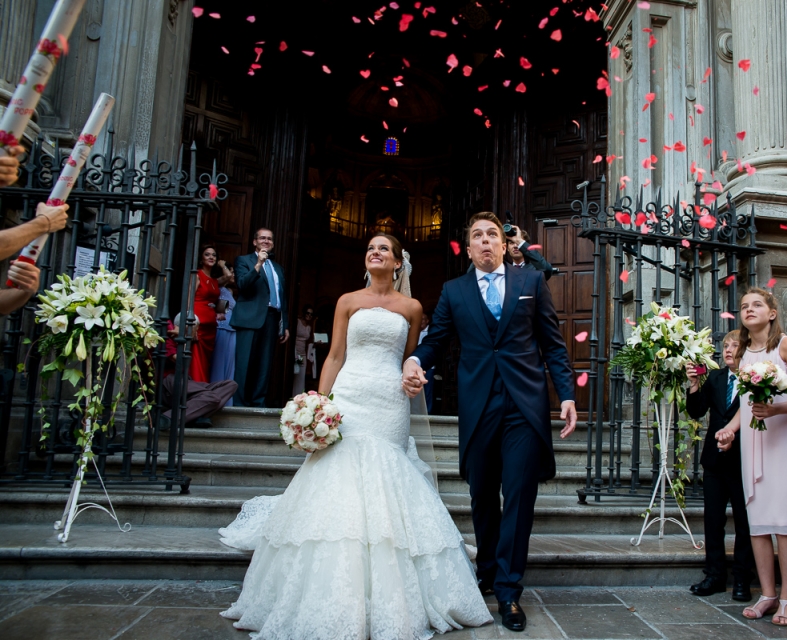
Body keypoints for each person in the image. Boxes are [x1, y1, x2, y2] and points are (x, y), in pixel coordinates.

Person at [219, 234, 493, 639]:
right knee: (338, 478)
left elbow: (411, 358)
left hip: (389, 401)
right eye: (371, 248)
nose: (375, 252)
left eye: (384, 249)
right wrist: (318, 402)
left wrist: (414, 377)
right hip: (350, 395)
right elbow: (334, 356)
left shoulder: (413, 308)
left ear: (398, 263)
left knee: (388, 477)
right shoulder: (348, 300)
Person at [402, 211, 577, 632]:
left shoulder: (530, 283)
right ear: (469, 246)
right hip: (479, 403)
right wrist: (412, 360)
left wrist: (567, 395)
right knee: (482, 493)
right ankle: (487, 570)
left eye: (491, 235)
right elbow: (437, 338)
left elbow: (552, 344)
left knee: (518, 495)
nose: (484, 241)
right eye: (476, 235)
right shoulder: (454, 290)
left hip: (524, 404)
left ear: (504, 244)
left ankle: (509, 591)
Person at [715, 287, 787, 627]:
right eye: (744, 306)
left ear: (772, 313)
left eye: (757, 304)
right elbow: (747, 405)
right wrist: (730, 429)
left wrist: (775, 409)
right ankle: (767, 594)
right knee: (758, 522)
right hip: (754, 443)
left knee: (784, 522)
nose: (749, 310)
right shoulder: (745, 354)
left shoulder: (786, 346)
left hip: (783, 440)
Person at [685, 330, 754, 602]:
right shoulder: (714, 378)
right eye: (725, 346)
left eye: (734, 345)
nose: (728, 350)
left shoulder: (754, 379)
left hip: (743, 458)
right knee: (713, 520)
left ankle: (742, 579)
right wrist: (693, 384)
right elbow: (696, 411)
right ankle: (714, 575)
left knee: (744, 522)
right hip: (714, 460)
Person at [231, 229, 289, 407]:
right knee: (244, 363)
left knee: (264, 365)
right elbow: (242, 284)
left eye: (270, 238)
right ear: (254, 242)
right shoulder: (244, 260)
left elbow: (282, 297)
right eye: (262, 238)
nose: (266, 241)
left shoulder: (277, 267)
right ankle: (240, 405)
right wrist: (257, 265)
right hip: (249, 319)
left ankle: (258, 402)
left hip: (271, 319)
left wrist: (284, 324)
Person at [158, 318, 237, 429]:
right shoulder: (168, 337)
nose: (195, 333)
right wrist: (185, 339)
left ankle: (194, 416)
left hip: (185, 381)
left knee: (231, 385)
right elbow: (180, 359)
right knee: (211, 397)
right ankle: (167, 419)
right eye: (194, 330)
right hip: (169, 381)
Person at [188, 245, 221, 383]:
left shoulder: (214, 279)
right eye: (207, 254)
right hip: (198, 324)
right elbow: (189, 299)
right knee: (197, 359)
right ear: (201, 259)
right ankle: (196, 389)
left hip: (211, 327)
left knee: (206, 361)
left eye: (214, 255)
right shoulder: (197, 275)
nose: (211, 257)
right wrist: (191, 323)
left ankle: (203, 387)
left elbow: (229, 277)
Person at [210, 260, 237, 405]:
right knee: (218, 364)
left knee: (229, 366)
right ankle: (214, 398)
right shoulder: (217, 286)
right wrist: (222, 265)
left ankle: (226, 399)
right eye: (231, 272)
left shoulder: (229, 291)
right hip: (220, 328)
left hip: (231, 329)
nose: (233, 275)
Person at [291, 304, 315, 396]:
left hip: (302, 354)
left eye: (311, 314)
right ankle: (292, 396)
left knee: (301, 376)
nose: (309, 315)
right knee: (294, 374)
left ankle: (298, 396)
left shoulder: (309, 327)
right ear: (304, 313)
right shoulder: (297, 322)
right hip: (295, 352)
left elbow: (309, 341)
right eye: (308, 313)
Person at [417, 312, 435, 414]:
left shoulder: (430, 332)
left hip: (428, 367)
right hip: (415, 365)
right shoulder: (415, 331)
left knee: (427, 390)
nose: (421, 321)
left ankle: (428, 412)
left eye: (423, 319)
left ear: (427, 320)